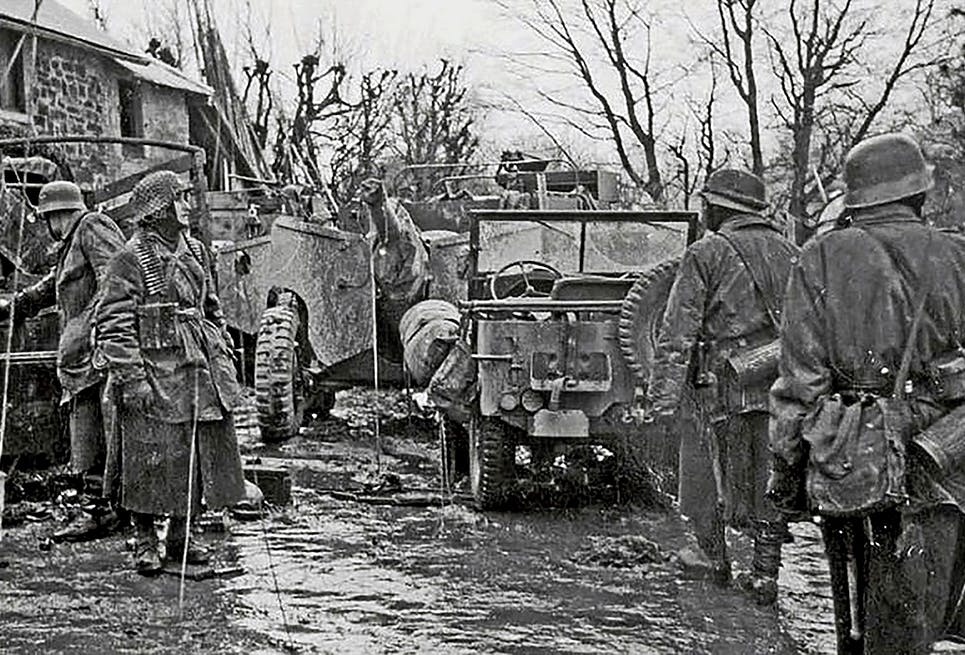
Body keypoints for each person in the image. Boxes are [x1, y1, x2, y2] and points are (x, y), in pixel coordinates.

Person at [769, 133, 965, 654]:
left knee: (856, 621)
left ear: (857, 198)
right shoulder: (957, 254)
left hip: (850, 452)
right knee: (922, 610)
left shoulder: (821, 256)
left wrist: (788, 470)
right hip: (944, 456)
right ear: (919, 192)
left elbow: (800, 381)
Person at [647, 168, 799, 605]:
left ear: (718, 207)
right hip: (780, 384)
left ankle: (711, 556)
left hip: (721, 384)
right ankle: (766, 573)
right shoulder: (792, 251)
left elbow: (676, 334)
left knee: (704, 474)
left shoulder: (707, 251)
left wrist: (661, 402)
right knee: (772, 473)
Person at [95, 170, 245, 575]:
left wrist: (223, 346)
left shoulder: (195, 250)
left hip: (199, 365)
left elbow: (211, 305)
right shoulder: (131, 257)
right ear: (158, 209)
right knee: (148, 456)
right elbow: (114, 322)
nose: (187, 206)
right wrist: (132, 376)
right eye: (178, 199)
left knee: (196, 451)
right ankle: (145, 539)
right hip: (154, 371)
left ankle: (183, 534)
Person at [0, 180, 126, 541]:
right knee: (86, 429)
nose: (46, 227)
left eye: (46, 219)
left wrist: (92, 329)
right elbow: (51, 285)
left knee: (95, 429)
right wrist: (15, 307)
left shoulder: (92, 227)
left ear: (56, 214)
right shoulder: (71, 243)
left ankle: (101, 511)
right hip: (81, 356)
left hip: (95, 352)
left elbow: (115, 280)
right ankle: (101, 506)